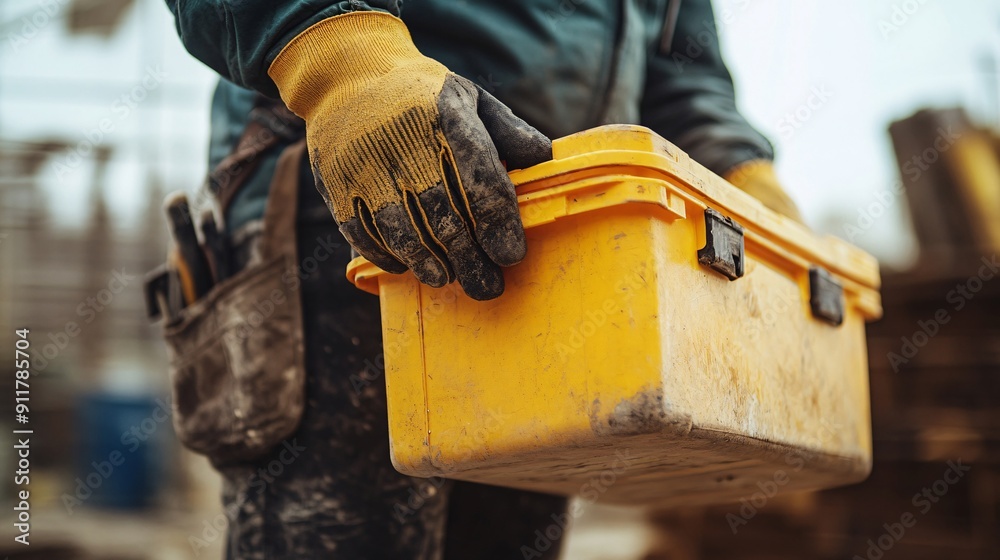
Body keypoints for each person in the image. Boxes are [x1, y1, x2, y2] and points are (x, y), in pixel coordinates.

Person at [164, 0, 802, 558]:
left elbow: (679, 66)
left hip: (554, 244)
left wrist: (741, 173)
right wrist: (340, 59)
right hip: (352, 193)